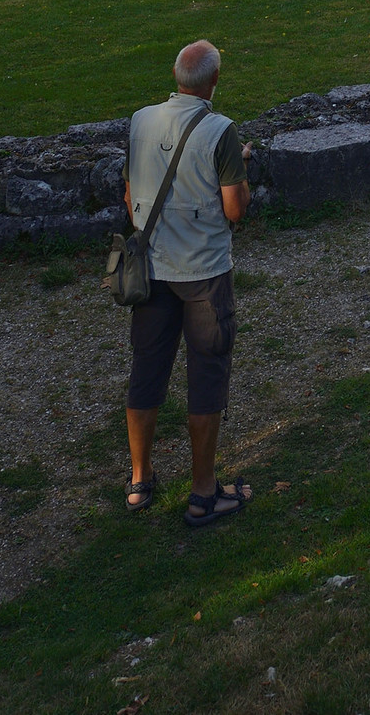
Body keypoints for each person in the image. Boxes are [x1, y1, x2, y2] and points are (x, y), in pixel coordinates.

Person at [123, 38, 252, 527]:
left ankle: (139, 481)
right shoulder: (220, 131)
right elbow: (234, 209)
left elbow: (132, 189)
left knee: (147, 370)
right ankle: (203, 493)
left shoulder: (140, 121)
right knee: (206, 375)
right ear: (214, 81)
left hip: (152, 269)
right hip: (203, 273)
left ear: (176, 78)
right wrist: (240, 168)